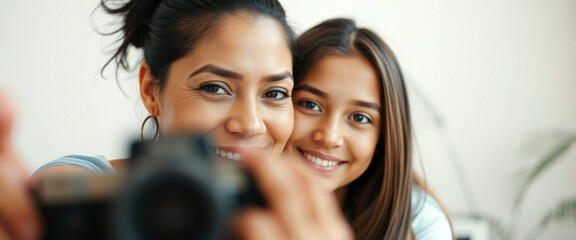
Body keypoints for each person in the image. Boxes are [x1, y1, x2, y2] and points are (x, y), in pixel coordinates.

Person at [0, 1, 353, 239]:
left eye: (274, 94)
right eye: (215, 88)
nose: (251, 125)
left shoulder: (295, 221)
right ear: (151, 90)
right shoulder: (85, 188)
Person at [284, 18, 454, 240]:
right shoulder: (231, 202)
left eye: (360, 117)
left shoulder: (420, 224)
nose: (329, 137)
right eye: (310, 104)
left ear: (382, 139)